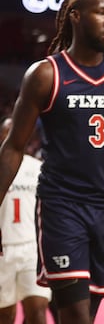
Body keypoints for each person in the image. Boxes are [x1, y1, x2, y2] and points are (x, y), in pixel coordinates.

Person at [0, 0, 104, 324]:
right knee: (76, 317)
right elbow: (13, 146)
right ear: (76, 17)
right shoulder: (45, 74)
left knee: (89, 314)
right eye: (101, 13)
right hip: (62, 206)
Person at [0, 118, 52, 324]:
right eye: (6, 130)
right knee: (5, 316)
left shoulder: (39, 167)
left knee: (38, 312)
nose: (11, 134)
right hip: (3, 251)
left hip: (32, 249)